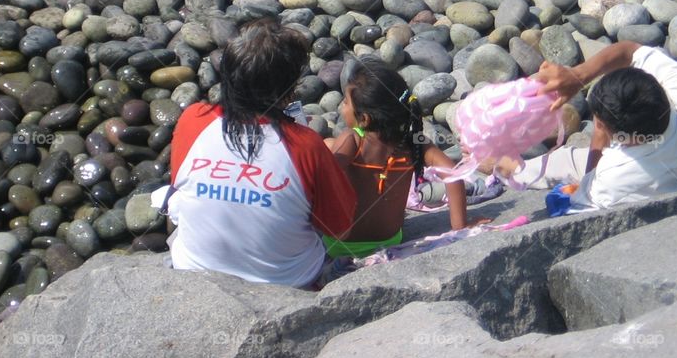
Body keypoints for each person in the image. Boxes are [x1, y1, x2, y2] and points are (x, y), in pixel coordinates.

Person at [165, 19, 356, 287]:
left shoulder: (194, 120)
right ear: (289, 90)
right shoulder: (306, 145)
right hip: (286, 283)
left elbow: (179, 185)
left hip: (195, 273)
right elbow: (341, 231)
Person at [495, 40, 677, 210]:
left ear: (616, 135)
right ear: (659, 89)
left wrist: (598, 142)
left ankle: (508, 168)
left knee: (566, 162)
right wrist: (577, 75)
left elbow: (583, 195)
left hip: (650, 178)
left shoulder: (615, 174)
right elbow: (631, 50)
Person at [324, 56, 482, 258]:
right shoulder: (414, 142)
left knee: (328, 145)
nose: (341, 107)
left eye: (345, 102)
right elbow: (453, 174)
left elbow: (322, 181)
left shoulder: (352, 139)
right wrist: (460, 227)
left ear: (364, 119)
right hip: (390, 240)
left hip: (340, 245)